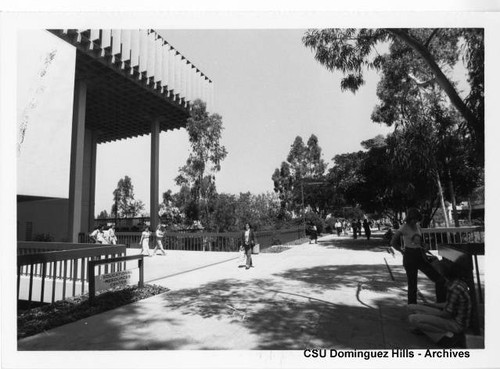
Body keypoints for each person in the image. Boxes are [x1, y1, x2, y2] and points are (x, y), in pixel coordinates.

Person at [408, 259, 472, 348]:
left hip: (456, 324)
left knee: (413, 318)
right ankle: (439, 331)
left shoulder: (454, 288)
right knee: (412, 307)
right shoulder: (455, 282)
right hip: (451, 317)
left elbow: (446, 314)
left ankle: (448, 337)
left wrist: (429, 314)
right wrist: (430, 306)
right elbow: (448, 304)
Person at [391, 208, 446, 305]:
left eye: (417, 219)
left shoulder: (418, 226)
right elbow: (393, 242)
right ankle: (412, 307)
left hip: (420, 256)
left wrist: (424, 245)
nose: (415, 221)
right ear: (409, 218)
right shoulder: (404, 227)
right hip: (409, 256)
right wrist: (401, 250)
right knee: (412, 285)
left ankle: (441, 303)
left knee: (439, 279)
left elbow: (419, 241)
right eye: (413, 219)